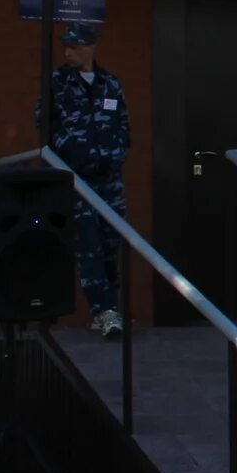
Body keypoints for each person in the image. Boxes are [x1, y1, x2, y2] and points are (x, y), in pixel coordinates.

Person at [48, 22, 132, 337]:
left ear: (91, 47)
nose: (68, 52)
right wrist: (69, 152)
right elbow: (45, 122)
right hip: (78, 179)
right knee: (89, 244)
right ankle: (105, 311)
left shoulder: (110, 83)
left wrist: (116, 152)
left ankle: (110, 309)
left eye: (75, 46)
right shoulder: (57, 82)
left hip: (109, 177)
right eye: (66, 46)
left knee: (111, 242)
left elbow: (124, 124)